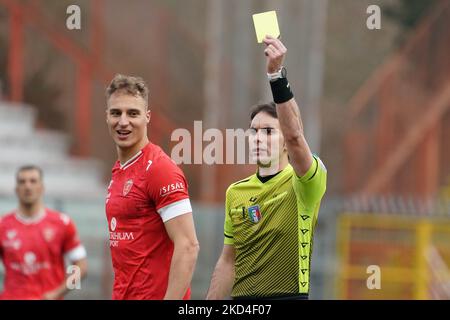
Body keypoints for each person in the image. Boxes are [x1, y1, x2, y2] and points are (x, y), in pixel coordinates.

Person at [206, 36, 327, 300]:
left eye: (269, 132)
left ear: (285, 140)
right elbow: (228, 262)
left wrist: (276, 77)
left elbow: (296, 135)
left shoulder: (305, 183)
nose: (258, 138)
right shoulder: (235, 192)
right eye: (254, 132)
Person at [104, 74, 199, 300]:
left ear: (147, 117)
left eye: (133, 113)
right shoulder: (120, 169)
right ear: (106, 117)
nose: (123, 121)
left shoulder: (160, 169)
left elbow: (188, 246)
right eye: (116, 113)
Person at [0, 166, 87, 300]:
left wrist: (59, 292)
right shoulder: (3, 225)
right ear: (16, 189)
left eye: (33, 181)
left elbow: (81, 267)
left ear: (42, 187)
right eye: (22, 182)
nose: (28, 186)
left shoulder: (62, 223)